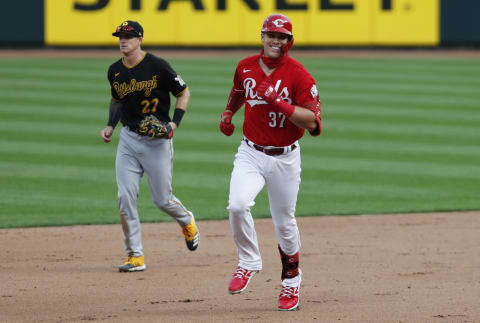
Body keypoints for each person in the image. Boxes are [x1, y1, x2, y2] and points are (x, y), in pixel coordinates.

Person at [219, 13, 322, 311]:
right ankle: (248, 261)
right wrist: (228, 113)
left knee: (284, 221)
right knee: (237, 205)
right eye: (271, 35)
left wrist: (279, 102)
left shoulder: (299, 74)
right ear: (262, 36)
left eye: (282, 37)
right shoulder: (245, 66)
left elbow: (313, 124)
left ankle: (291, 282)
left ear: (290, 41)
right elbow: (239, 90)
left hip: (285, 157)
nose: (275, 41)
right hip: (250, 152)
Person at [100, 20, 199, 273]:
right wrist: (111, 125)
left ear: (140, 39)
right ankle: (135, 255)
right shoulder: (114, 70)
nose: (123, 40)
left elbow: (184, 93)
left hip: (158, 142)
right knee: (125, 197)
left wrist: (174, 124)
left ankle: (186, 220)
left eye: (128, 36)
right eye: (120, 36)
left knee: (163, 200)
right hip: (129, 140)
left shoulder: (157, 66)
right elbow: (116, 100)